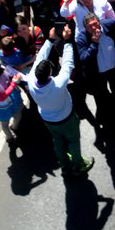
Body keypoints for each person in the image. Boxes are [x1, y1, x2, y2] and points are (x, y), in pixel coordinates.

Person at [26, 23, 94, 176]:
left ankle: (64, 164)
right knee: (73, 141)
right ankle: (78, 164)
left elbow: (40, 56)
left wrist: (50, 40)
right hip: (66, 118)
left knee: (58, 142)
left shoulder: (31, 79)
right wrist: (68, 41)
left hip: (48, 120)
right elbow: (68, 64)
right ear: (50, 73)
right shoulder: (58, 84)